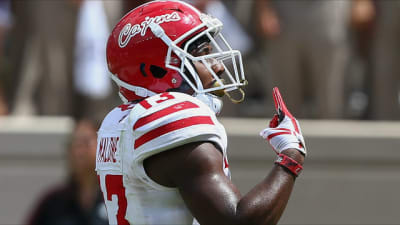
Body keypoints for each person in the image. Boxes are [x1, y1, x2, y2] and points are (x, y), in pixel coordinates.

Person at [96, 1, 306, 224]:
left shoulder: (116, 120)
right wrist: (291, 156)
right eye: (203, 54)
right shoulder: (171, 117)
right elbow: (238, 221)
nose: (218, 66)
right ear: (156, 69)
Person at [27, 120, 108, 225]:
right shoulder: (53, 202)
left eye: (86, 143)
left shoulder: (117, 199)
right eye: (74, 144)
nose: (78, 152)